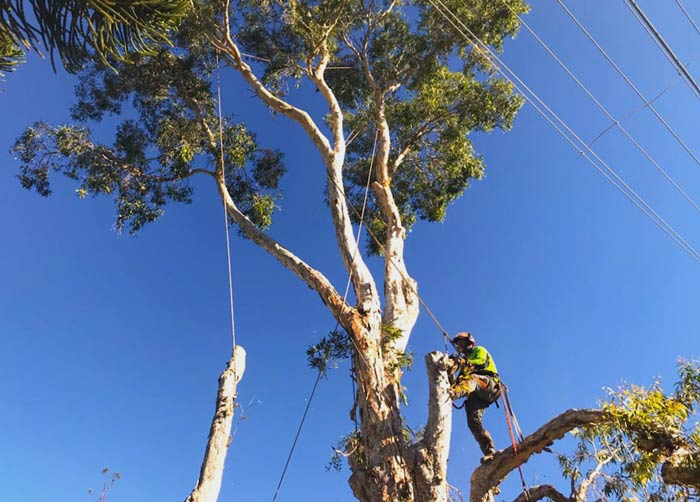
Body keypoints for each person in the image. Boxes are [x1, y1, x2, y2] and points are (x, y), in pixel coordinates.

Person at [449, 332, 501, 461]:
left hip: (489, 384)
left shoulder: (479, 350)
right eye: (458, 344)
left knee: (473, 379)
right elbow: (459, 382)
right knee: (473, 422)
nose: (460, 346)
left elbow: (480, 363)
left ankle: (451, 395)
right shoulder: (464, 365)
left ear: (469, 342)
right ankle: (489, 451)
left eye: (462, 343)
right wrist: (449, 374)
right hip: (478, 395)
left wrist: (463, 362)